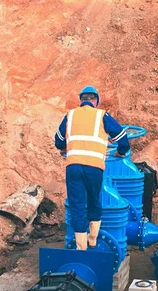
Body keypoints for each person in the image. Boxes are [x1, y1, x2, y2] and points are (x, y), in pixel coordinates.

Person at [55, 86, 130, 250]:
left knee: (77, 205)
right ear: (95, 101)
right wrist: (120, 152)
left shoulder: (70, 115)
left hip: (73, 167)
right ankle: (93, 240)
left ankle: (81, 248)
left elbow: (58, 141)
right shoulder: (102, 115)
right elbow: (123, 138)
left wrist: (65, 149)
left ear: (81, 100)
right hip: (95, 168)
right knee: (94, 201)